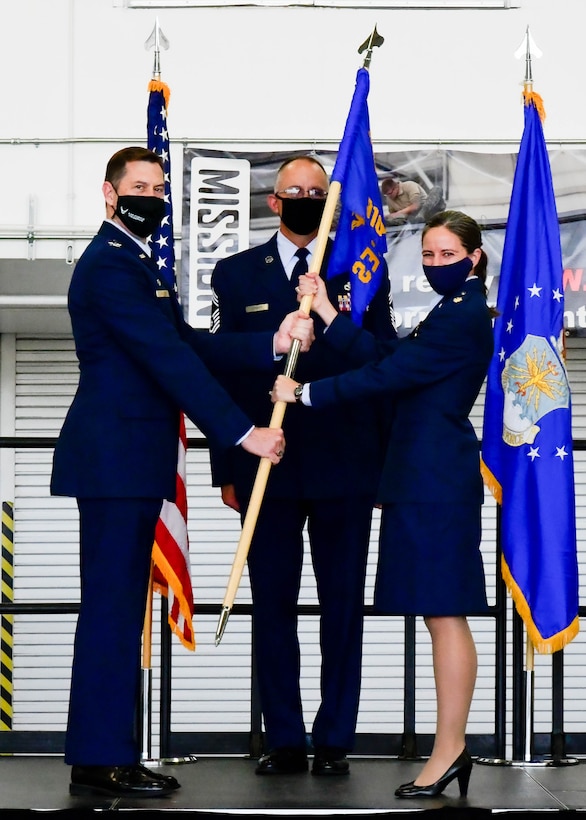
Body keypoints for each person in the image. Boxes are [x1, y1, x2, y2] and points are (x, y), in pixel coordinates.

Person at [50, 146, 314, 799]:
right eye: (139, 186)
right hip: (116, 460)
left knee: (122, 611)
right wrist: (243, 431)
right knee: (113, 612)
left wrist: (270, 344)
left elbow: (190, 341)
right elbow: (167, 359)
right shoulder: (109, 266)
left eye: (159, 186)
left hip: (134, 461)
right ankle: (98, 756)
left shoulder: (139, 264)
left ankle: (111, 750)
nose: (152, 196)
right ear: (110, 195)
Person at [272, 210, 495, 798]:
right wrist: (325, 312)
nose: (436, 263)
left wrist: (307, 393)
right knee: (437, 613)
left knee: (445, 612)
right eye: (428, 254)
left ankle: (449, 750)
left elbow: (389, 375)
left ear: (473, 258)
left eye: (448, 254)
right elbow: (382, 353)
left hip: (435, 480)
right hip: (420, 476)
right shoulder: (450, 312)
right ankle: (449, 749)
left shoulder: (465, 316)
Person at [209, 155, 396, 776]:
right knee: (273, 604)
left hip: (345, 462)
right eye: (295, 191)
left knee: (343, 604)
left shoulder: (361, 271)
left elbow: (381, 364)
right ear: (273, 201)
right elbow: (223, 372)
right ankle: (285, 737)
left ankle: (336, 736)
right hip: (269, 465)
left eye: (318, 192)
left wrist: (381, 468)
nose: (306, 199)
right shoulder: (236, 275)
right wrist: (227, 467)